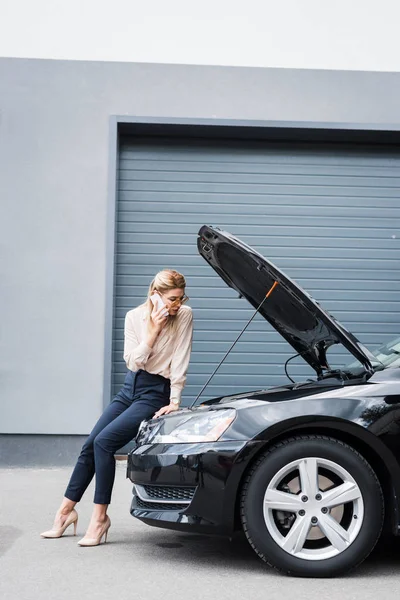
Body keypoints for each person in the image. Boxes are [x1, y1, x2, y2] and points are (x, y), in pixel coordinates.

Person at [40, 269, 193, 546]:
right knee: (90, 444)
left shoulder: (184, 316)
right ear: (155, 295)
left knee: (105, 443)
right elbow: (132, 362)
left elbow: (181, 357)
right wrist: (154, 330)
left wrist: (174, 401)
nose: (176, 305)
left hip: (155, 392)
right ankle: (65, 512)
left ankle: (99, 519)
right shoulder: (134, 317)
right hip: (130, 387)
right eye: (171, 299)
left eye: (180, 298)